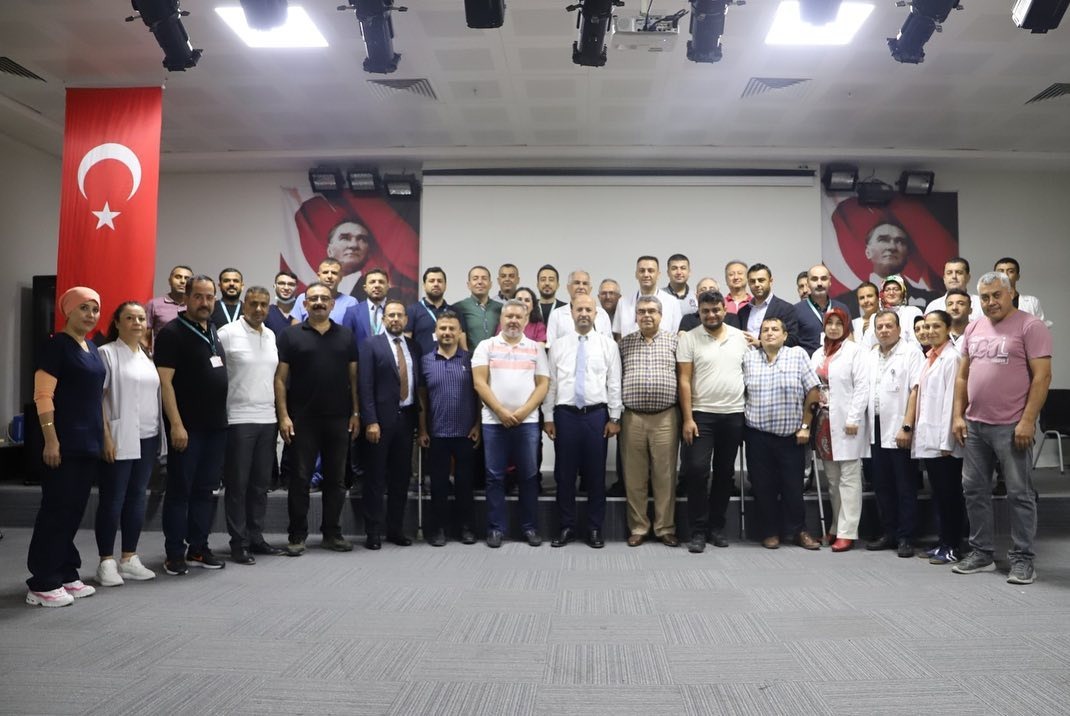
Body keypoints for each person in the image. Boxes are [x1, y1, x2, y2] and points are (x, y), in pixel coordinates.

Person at [952, 271, 1052, 585]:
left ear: (1010, 293)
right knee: (974, 491)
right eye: (985, 297)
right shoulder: (974, 327)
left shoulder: (1030, 326)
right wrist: (958, 416)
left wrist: (1028, 420)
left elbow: (1042, 377)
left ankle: (1023, 559)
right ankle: (981, 553)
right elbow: (963, 376)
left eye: (997, 295)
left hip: (1012, 426)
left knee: (1020, 493)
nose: (991, 302)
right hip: (975, 425)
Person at [25, 287, 105, 607]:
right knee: (56, 511)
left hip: (88, 443)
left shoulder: (92, 347)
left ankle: (66, 570)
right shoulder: (56, 345)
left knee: (73, 511)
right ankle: (42, 581)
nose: (90, 315)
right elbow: (43, 396)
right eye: (83, 308)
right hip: (62, 443)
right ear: (68, 311)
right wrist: (51, 439)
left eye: (95, 309)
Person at [275, 282, 360, 556]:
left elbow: (354, 378)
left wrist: (356, 413)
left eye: (324, 298)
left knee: (336, 480)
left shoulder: (346, 335)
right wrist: (283, 415)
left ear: (332, 304)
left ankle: (332, 534)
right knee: (300, 479)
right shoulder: (290, 335)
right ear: (305, 304)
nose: (319, 302)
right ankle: (297, 536)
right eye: (314, 299)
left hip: (338, 419)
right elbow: (280, 379)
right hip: (303, 419)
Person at [154, 275, 230, 575]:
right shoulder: (172, 333)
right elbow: (165, 383)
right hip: (188, 429)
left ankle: (198, 547)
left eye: (210, 297)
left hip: (215, 427)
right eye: (198, 296)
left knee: (205, 490)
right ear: (185, 298)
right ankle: (174, 553)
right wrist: (176, 424)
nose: (204, 302)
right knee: (180, 491)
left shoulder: (212, 329)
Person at [543, 295, 622, 549]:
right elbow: (551, 384)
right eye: (580, 309)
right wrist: (548, 416)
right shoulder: (558, 346)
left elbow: (614, 382)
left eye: (589, 309)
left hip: (596, 416)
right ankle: (566, 526)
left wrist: (614, 416)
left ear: (596, 313)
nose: (584, 313)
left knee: (596, 475)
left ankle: (594, 528)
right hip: (565, 415)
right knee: (564, 475)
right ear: (572, 313)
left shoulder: (608, 345)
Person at [95, 301, 163, 587]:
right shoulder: (107, 353)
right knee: (113, 498)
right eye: (130, 318)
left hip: (147, 436)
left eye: (141, 318)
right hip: (119, 436)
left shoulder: (147, 356)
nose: (137, 323)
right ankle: (106, 561)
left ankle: (129, 558)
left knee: (137, 497)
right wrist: (106, 436)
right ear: (117, 323)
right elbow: (98, 398)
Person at [471, 299, 550, 548]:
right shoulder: (486, 346)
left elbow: (543, 384)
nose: (513, 320)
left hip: (527, 423)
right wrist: (500, 411)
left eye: (518, 316)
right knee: (494, 476)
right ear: (501, 319)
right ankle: (496, 529)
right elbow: (479, 383)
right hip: (494, 422)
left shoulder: (536, 349)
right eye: (509, 316)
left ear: (526, 320)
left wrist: (523, 412)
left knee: (529, 475)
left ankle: (530, 528)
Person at [742, 317, 822, 550]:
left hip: (791, 436)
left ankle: (799, 531)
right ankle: (769, 532)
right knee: (762, 486)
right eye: (765, 330)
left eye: (775, 329)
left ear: (785, 335)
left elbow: (813, 390)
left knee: (793, 487)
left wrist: (806, 426)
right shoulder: (748, 358)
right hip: (757, 435)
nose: (769, 333)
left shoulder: (797, 355)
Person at [677, 291, 748, 553]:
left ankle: (716, 527)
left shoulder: (740, 338)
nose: (711, 315)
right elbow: (684, 380)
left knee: (725, 473)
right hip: (701, 415)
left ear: (724, 310)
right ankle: (697, 530)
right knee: (696, 470)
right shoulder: (689, 338)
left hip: (734, 414)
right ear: (699, 312)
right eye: (705, 311)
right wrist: (687, 418)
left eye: (716, 309)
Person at [217, 287, 282, 564]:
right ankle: (238, 542)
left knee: (260, 485)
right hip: (238, 419)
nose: (258, 309)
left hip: (268, 419)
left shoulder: (271, 335)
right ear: (244, 305)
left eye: (264, 305)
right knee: (238, 485)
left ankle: (256, 537)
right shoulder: (227, 333)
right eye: (253, 304)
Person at [618, 296, 680, 547]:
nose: (646, 315)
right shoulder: (624, 344)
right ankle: (639, 527)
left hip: (666, 417)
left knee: (665, 475)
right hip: (632, 417)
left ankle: (665, 527)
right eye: (642, 311)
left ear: (660, 315)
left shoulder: (674, 342)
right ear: (635, 316)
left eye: (652, 311)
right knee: (634, 477)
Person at [358, 299, 420, 549]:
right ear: (383, 320)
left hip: (406, 420)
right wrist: (370, 420)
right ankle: (373, 532)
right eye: (391, 315)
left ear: (406, 320)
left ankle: (395, 529)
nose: (395, 319)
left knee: (401, 478)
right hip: (379, 424)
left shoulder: (414, 346)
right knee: (375, 478)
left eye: (399, 315)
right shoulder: (370, 345)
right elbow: (365, 385)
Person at [864, 309, 923, 558]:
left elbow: (916, 390)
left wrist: (907, 426)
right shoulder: (870, 355)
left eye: (889, 326)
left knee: (905, 485)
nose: (884, 330)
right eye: (880, 327)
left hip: (900, 427)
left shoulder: (911, 352)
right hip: (875, 427)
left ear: (899, 329)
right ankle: (889, 532)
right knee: (882, 484)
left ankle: (906, 536)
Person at [417, 311, 480, 547]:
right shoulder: (425, 361)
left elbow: (479, 396)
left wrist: (478, 425)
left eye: (452, 328)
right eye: (443, 328)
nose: (447, 332)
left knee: (465, 485)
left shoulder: (471, 360)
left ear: (460, 332)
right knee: (439, 485)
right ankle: (439, 529)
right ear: (436, 332)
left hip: (466, 432)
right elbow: (422, 399)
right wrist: (423, 430)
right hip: (437, 434)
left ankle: (466, 528)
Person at [809, 309, 869, 552]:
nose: (833, 328)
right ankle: (835, 526)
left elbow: (862, 387)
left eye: (838, 324)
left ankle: (848, 531)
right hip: (823, 422)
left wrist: (854, 417)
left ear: (846, 327)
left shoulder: (855, 351)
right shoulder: (818, 353)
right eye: (829, 323)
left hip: (847, 423)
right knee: (833, 480)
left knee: (849, 479)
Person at [911, 310, 966, 565]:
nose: (930, 331)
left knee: (950, 495)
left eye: (936, 326)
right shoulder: (930, 357)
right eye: (926, 327)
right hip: (931, 438)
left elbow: (951, 402)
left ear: (947, 329)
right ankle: (943, 541)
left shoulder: (952, 358)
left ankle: (953, 545)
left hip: (945, 443)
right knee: (940, 494)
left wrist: (947, 442)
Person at [614, 256, 683, 338]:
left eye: (650, 271)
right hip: (629, 346)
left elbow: (677, 335)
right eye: (642, 271)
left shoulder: (672, 302)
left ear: (658, 275)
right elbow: (618, 336)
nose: (646, 274)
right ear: (636, 274)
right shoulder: (623, 302)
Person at [405, 266, 468, 356]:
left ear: (445, 285)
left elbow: (463, 346)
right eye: (431, 281)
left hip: (452, 363)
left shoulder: (456, 312)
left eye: (439, 281)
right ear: (424, 285)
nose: (436, 284)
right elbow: (406, 344)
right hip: (422, 363)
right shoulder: (412, 310)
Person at [737, 263, 799, 348]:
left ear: (770, 281)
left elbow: (792, 340)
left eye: (761, 280)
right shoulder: (743, 311)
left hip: (774, 356)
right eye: (752, 281)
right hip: (747, 356)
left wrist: (761, 344)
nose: (756, 284)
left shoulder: (786, 309)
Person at [545, 270, 612, 347]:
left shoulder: (602, 314)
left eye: (585, 283)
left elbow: (609, 345)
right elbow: (551, 347)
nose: (581, 287)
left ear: (590, 289)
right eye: (577, 283)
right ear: (568, 288)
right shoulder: (556, 315)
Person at [794, 264, 849, 356]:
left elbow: (849, 339)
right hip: (808, 363)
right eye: (814, 279)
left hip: (839, 362)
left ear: (830, 281)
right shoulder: (795, 311)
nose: (819, 283)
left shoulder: (842, 308)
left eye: (823, 279)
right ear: (808, 283)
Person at [293, 258, 359, 324]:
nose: (329, 276)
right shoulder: (303, 298)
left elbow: (354, 329)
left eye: (334, 273)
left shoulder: (351, 302)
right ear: (318, 276)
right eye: (325, 272)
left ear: (340, 278)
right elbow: (295, 328)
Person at [454, 265, 503, 351]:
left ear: (490, 284)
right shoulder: (459, 307)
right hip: (470, 357)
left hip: (496, 356)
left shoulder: (501, 308)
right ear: (468, 285)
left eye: (484, 278)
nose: (480, 282)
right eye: (475, 278)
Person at [341, 267, 391, 348]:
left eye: (381, 282)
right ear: (365, 288)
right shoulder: (352, 312)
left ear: (388, 286)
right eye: (372, 282)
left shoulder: (396, 311)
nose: (377, 285)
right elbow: (346, 342)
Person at [146, 265, 192, 350]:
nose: (182, 281)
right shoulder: (154, 304)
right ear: (170, 281)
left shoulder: (195, 307)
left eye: (187, 278)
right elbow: (145, 338)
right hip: (162, 356)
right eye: (178, 277)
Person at [993, 257, 1047, 323]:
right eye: (1000, 272)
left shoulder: (1032, 302)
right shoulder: (986, 303)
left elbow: (1041, 327)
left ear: (1017, 276)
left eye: (1010, 271)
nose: (1005, 275)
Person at [875, 274, 923, 347]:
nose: (891, 293)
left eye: (896, 289)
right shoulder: (875, 317)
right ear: (882, 293)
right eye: (887, 290)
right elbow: (867, 345)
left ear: (903, 292)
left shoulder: (912, 312)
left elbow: (916, 343)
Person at [265, 271, 298, 336]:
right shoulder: (266, 312)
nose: (286, 288)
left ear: (296, 287)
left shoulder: (303, 312)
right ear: (274, 286)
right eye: (282, 283)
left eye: (291, 284)